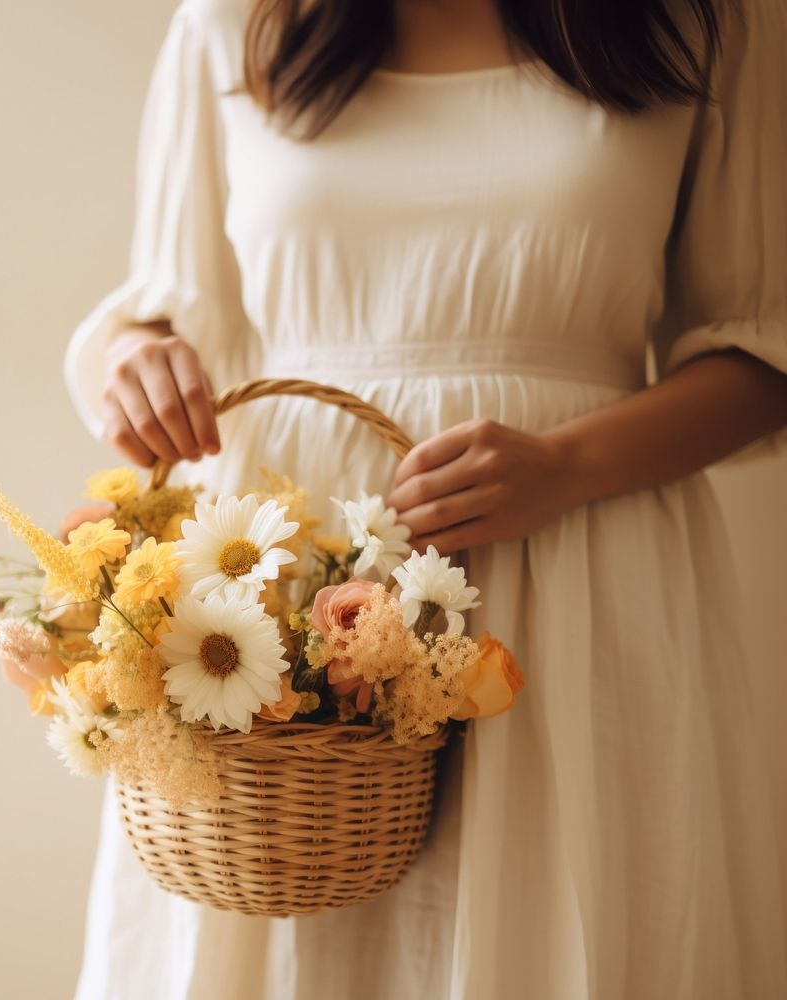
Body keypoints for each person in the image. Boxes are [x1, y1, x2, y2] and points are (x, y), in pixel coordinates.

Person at [63, 0, 787, 997]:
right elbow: (156, 308)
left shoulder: (702, 23)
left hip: (576, 577)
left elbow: (763, 352)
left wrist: (567, 465)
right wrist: (134, 363)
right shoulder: (235, 23)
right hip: (286, 590)